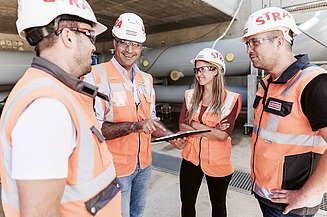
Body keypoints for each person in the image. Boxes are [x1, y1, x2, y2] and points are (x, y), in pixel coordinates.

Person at [0, 0, 122, 216]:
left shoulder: (58, 93)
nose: (94, 46)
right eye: (90, 35)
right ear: (67, 37)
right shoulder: (47, 110)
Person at [84, 12, 186, 217]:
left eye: (136, 44)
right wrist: (134, 126)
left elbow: (151, 120)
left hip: (144, 165)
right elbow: (94, 129)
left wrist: (170, 135)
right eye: (124, 42)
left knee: (137, 214)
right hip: (114, 170)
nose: (130, 50)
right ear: (115, 42)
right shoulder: (95, 76)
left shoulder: (146, 79)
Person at [242, 6, 327, 217]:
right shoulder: (268, 83)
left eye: (254, 42)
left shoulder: (312, 83)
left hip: (290, 206)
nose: (248, 49)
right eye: (247, 43)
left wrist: (308, 194)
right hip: (268, 196)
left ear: (279, 41)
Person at [178, 48, 242, 217]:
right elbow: (182, 126)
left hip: (217, 160)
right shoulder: (190, 95)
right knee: (187, 203)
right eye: (197, 70)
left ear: (216, 70)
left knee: (218, 205)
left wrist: (194, 123)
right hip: (191, 157)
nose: (199, 74)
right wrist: (210, 129)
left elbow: (223, 135)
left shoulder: (231, 99)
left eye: (203, 69)